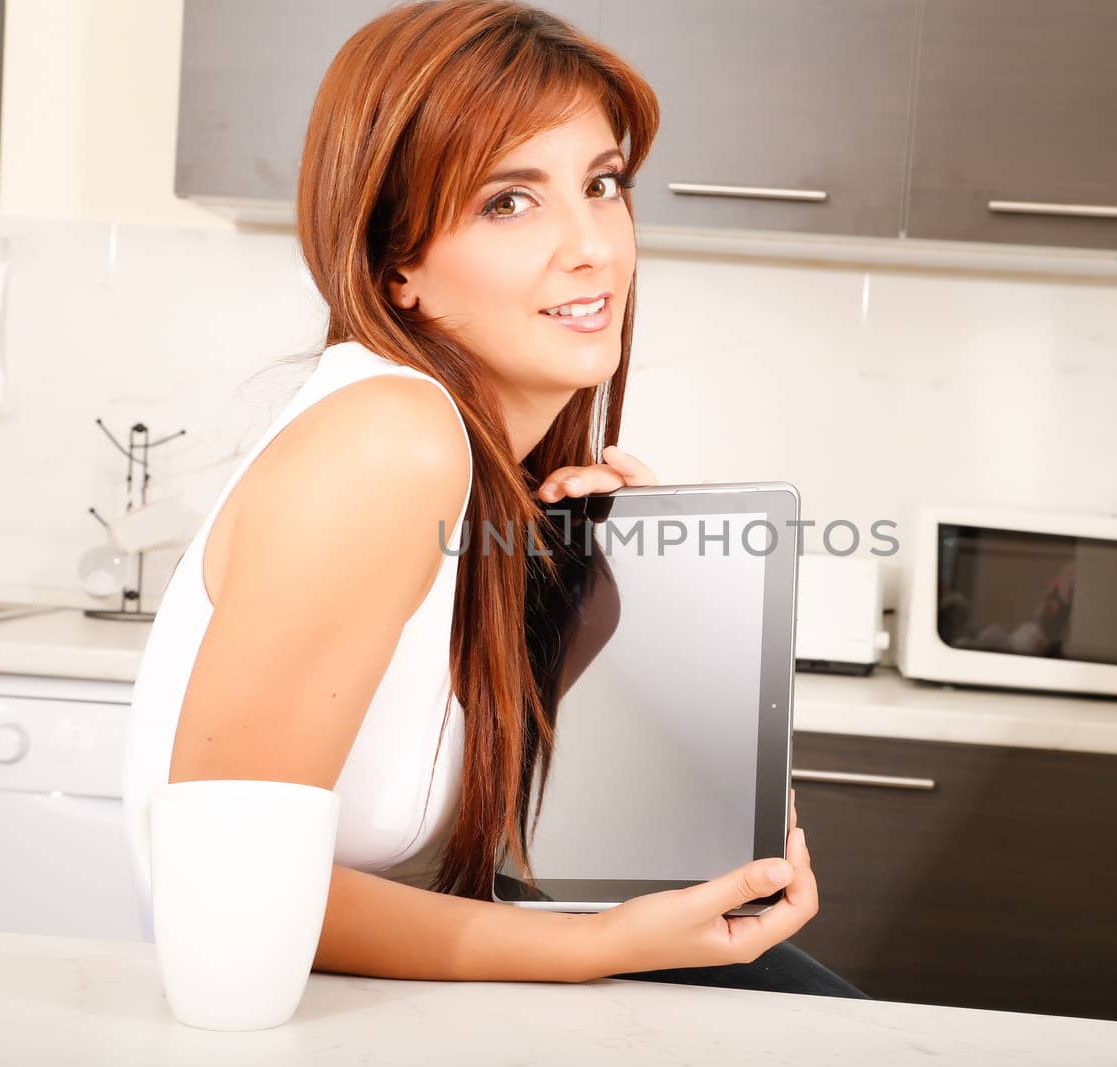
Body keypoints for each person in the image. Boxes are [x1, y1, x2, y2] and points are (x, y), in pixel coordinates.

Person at [120, 0, 863, 1000]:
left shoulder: (488, 483)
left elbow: (522, 842)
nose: (592, 245)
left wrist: (644, 629)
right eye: (510, 201)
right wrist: (597, 945)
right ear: (399, 267)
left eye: (602, 184)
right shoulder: (391, 434)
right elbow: (220, 875)